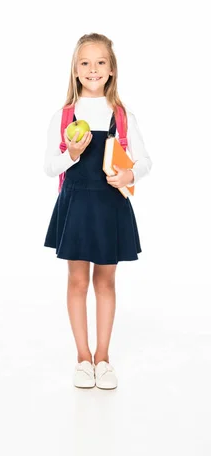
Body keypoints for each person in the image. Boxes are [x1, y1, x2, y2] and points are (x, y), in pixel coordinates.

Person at [44, 33, 151, 390]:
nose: (92, 69)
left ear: (111, 69)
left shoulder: (121, 116)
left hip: (109, 206)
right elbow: (49, 166)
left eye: (100, 62)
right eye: (85, 63)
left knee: (105, 281)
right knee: (77, 281)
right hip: (75, 204)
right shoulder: (64, 115)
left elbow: (145, 160)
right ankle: (82, 357)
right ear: (75, 70)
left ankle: (103, 358)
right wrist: (71, 156)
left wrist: (130, 173)